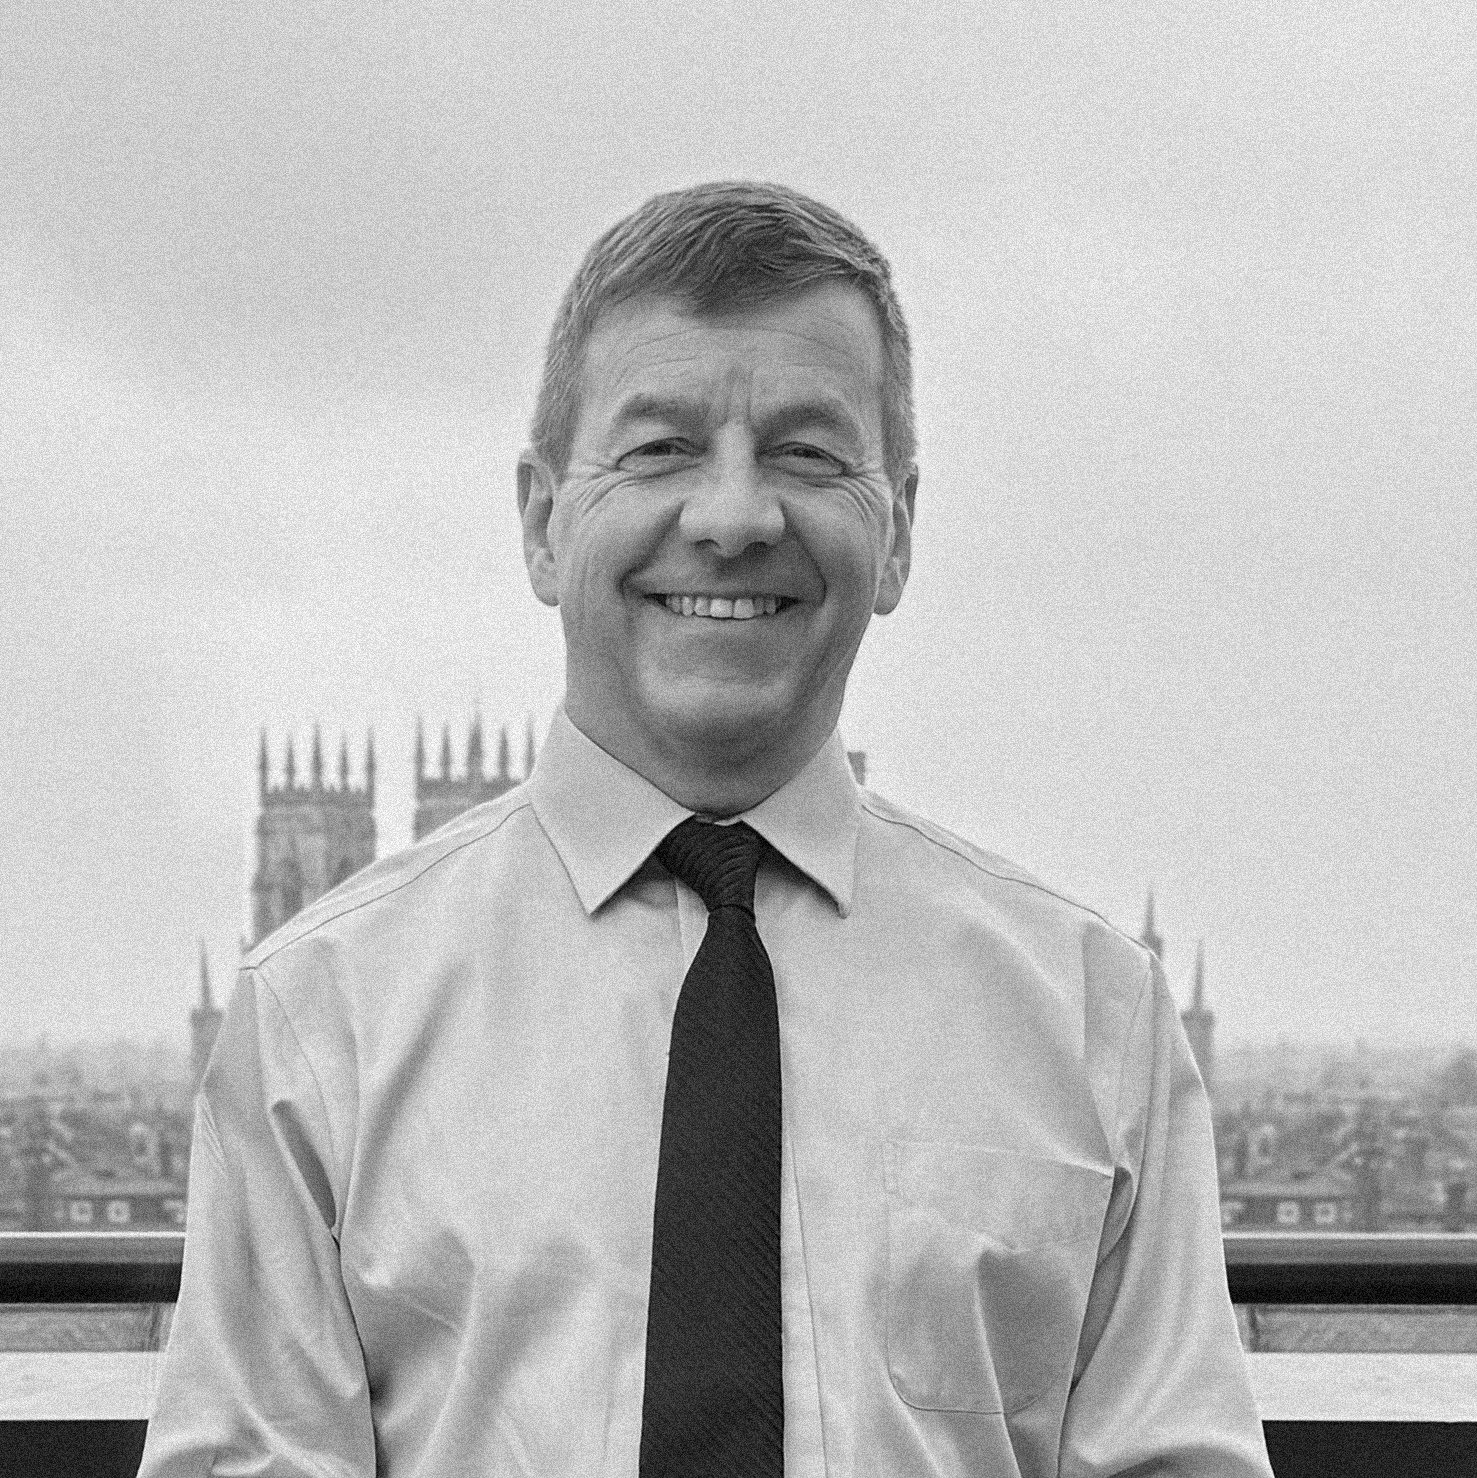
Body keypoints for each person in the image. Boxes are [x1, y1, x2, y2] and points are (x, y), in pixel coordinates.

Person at [140, 181, 1273, 1477]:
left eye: (805, 451)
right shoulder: (316, 1016)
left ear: (895, 530)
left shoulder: (1092, 1017)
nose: (733, 517)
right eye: (658, 447)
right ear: (538, 521)